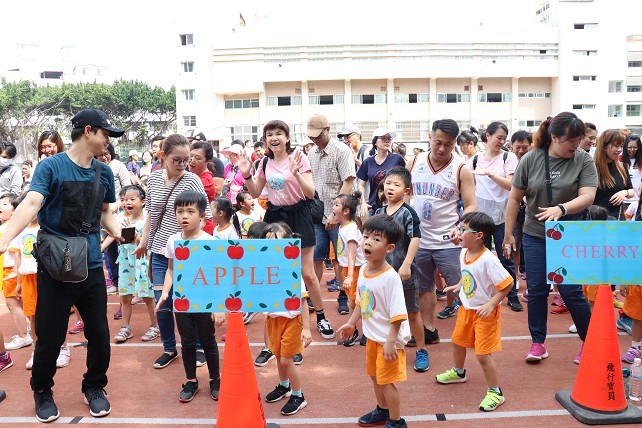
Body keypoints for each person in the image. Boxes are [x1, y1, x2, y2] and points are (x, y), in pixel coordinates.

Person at [0, 108, 125, 422]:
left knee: (99, 334)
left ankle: (94, 386)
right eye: (105, 133)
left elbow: (104, 210)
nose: (108, 140)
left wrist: (118, 231)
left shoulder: (103, 172)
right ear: (88, 131)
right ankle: (42, 390)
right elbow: (32, 202)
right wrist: (5, 239)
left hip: (91, 264)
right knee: (51, 336)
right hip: (56, 265)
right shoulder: (51, 166)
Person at [503, 112, 596, 364]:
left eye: (579, 140)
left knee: (571, 291)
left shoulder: (583, 160)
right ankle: (537, 343)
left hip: (569, 235)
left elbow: (588, 196)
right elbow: (514, 198)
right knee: (536, 291)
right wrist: (509, 234)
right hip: (535, 234)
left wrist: (561, 209)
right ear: (554, 137)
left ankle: (590, 342)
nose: (576, 145)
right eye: (571, 141)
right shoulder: (531, 159)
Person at [240, 119, 335, 340]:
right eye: (269, 135)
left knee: (307, 273)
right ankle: (278, 316)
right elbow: (255, 193)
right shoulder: (264, 163)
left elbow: (310, 193)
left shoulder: (299, 158)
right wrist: (246, 175)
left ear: (287, 137)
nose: (274, 138)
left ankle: (321, 316)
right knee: (277, 271)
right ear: (265, 140)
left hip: (299, 215)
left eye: (278, 133)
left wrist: (296, 173)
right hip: (275, 218)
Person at [134, 134, 213, 370]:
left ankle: (198, 347)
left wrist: (195, 242)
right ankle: (169, 348)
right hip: (160, 251)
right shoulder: (154, 179)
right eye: (177, 160)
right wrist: (144, 243)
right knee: (162, 302)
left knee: (192, 301)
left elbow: (205, 216)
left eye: (186, 160)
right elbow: (151, 215)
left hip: (189, 252)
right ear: (163, 156)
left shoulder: (192, 180)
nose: (183, 165)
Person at [338, 214, 411, 428]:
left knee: (387, 382)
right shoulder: (364, 270)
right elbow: (362, 302)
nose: (368, 242)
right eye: (366, 236)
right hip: (373, 337)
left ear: (389, 248)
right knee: (375, 376)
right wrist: (352, 323)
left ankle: (396, 422)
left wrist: (390, 342)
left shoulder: (390, 278)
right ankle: (382, 410)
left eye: (376, 239)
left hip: (388, 340)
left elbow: (398, 315)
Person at [435, 212, 512, 412]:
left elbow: (507, 284)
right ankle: (459, 372)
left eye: (462, 230)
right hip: (467, 309)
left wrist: (491, 304)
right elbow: (468, 274)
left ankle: (496, 391)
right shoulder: (464, 252)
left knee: (483, 355)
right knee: (458, 342)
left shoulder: (489, 260)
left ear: (479, 236)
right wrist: (459, 285)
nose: (458, 233)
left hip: (485, 313)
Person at [408, 119, 476, 345]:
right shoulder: (414, 162)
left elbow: (471, 205)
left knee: (462, 287)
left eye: (448, 144)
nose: (441, 149)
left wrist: (461, 228)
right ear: (430, 137)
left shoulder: (461, 169)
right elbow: (405, 193)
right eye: (438, 142)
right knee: (424, 288)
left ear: (455, 142)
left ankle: (474, 329)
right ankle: (429, 329)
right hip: (420, 240)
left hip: (449, 241)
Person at [156, 190, 224, 402]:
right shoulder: (173, 240)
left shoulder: (211, 242)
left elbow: (218, 275)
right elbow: (171, 269)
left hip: (205, 300)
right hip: (182, 300)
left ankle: (215, 379)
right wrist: (165, 292)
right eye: (180, 211)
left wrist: (218, 306)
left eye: (190, 211)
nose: (184, 216)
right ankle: (191, 381)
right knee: (186, 342)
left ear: (202, 216)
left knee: (208, 341)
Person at [374, 166, 427, 372]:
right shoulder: (378, 212)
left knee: (412, 312)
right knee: (386, 312)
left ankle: (421, 349)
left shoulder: (408, 213)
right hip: (382, 274)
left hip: (403, 273)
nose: (390, 187)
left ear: (406, 190)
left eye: (396, 185)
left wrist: (406, 264)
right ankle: (389, 345)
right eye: (388, 183)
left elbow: (415, 238)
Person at [469, 122, 522, 312]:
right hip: (480, 219)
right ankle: (478, 295)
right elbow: (470, 187)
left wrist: (490, 174)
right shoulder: (475, 159)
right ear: (488, 136)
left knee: (505, 258)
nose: (501, 141)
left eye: (504, 139)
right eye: (499, 137)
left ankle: (512, 296)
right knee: (477, 258)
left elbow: (511, 185)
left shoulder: (508, 157)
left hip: (502, 217)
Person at [261, 222, 312, 416]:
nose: (272, 248)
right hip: (273, 319)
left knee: (286, 360)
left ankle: (298, 395)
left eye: (277, 243)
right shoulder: (265, 269)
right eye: (268, 243)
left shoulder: (291, 271)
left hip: (291, 320)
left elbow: (303, 301)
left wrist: (306, 329)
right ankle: (284, 386)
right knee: (277, 355)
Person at [112, 185, 159, 344]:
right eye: (124, 200)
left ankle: (155, 325)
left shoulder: (147, 221)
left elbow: (145, 244)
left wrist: (135, 236)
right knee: (125, 296)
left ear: (143, 201)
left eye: (132, 199)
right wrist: (120, 235)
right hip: (126, 262)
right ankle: (126, 327)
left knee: (147, 295)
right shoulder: (120, 219)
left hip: (142, 262)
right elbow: (118, 239)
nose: (127, 203)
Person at [330, 191, 366, 336]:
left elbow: (352, 253)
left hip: (356, 269)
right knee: (353, 301)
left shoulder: (350, 229)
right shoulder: (343, 226)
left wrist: (350, 276)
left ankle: (361, 331)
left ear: (345, 211)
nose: (333, 208)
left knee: (357, 301)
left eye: (336, 205)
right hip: (350, 268)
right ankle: (354, 328)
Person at [9, 205, 40, 369]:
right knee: (32, 315)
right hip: (27, 278)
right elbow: (19, 257)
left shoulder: (45, 228)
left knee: (53, 314)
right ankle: (37, 351)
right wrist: (19, 283)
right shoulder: (20, 231)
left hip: (45, 277)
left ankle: (61, 349)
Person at [1, 193, 32, 351]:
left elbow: (17, 252)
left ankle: (23, 336)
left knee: (12, 303)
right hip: (10, 269)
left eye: (5, 204)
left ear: (15, 210)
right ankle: (25, 332)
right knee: (17, 303)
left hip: (11, 269)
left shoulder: (12, 227)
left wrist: (14, 271)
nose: (0, 206)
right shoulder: (7, 226)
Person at [357, 128, 406, 215]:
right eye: (383, 138)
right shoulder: (368, 162)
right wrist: (363, 202)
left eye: (389, 138)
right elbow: (361, 184)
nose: (387, 141)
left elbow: (406, 181)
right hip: (374, 207)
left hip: (394, 208)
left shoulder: (397, 159)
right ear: (375, 142)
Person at [593, 130, 633, 219]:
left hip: (618, 219)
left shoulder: (622, 167)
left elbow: (631, 191)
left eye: (621, 146)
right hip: (596, 220)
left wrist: (624, 193)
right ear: (604, 146)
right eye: (616, 146)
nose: (619, 150)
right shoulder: (592, 168)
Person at [509, 130, 533, 285]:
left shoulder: (534, 161)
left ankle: (533, 277)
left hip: (531, 209)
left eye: (524, 147)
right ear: (511, 146)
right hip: (515, 208)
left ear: (531, 145)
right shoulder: (508, 161)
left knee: (530, 245)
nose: (521, 150)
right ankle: (515, 276)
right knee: (515, 245)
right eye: (517, 147)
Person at [189, 141, 219, 234]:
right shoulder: (194, 176)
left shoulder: (205, 181)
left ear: (207, 161)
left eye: (198, 158)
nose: (192, 160)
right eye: (191, 156)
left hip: (204, 229)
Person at [621, 134, 642, 215]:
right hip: (622, 199)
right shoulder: (619, 159)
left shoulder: (640, 161)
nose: (632, 150)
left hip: (637, 200)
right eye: (629, 147)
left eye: (635, 147)